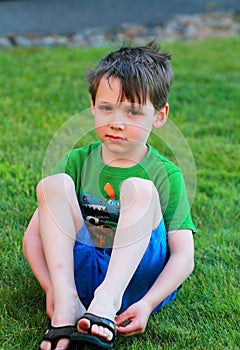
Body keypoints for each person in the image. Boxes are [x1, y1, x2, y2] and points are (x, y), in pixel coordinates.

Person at [22, 41, 196, 350]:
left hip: (134, 283)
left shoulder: (164, 173)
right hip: (77, 275)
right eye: (106, 108)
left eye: (132, 111)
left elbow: (183, 255)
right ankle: (68, 305)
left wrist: (149, 303)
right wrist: (50, 288)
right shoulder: (76, 162)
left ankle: (106, 298)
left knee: (138, 190)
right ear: (92, 106)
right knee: (52, 185)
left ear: (159, 115)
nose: (116, 122)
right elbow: (33, 238)